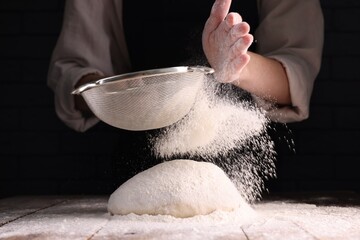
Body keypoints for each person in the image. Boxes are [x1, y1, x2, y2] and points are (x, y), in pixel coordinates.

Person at [47, 0, 323, 188]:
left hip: (242, 180)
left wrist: (236, 66)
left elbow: (294, 84)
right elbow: (73, 77)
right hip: (138, 177)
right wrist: (127, 94)